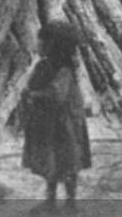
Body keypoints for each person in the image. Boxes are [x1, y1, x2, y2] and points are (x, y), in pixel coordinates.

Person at [22, 20, 92, 212]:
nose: (38, 46)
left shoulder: (64, 70)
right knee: (51, 162)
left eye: (42, 42)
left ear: (53, 45)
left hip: (65, 124)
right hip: (48, 123)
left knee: (68, 162)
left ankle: (70, 202)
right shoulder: (43, 66)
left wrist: (34, 95)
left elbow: (57, 94)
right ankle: (50, 200)